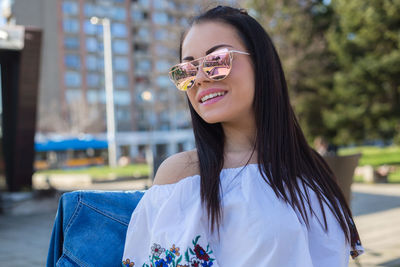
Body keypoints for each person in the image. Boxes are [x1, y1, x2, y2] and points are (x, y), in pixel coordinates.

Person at [122, 5, 363, 267]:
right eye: (187, 71)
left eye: (217, 61)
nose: (200, 79)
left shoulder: (311, 169)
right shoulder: (182, 176)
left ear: (262, 63)